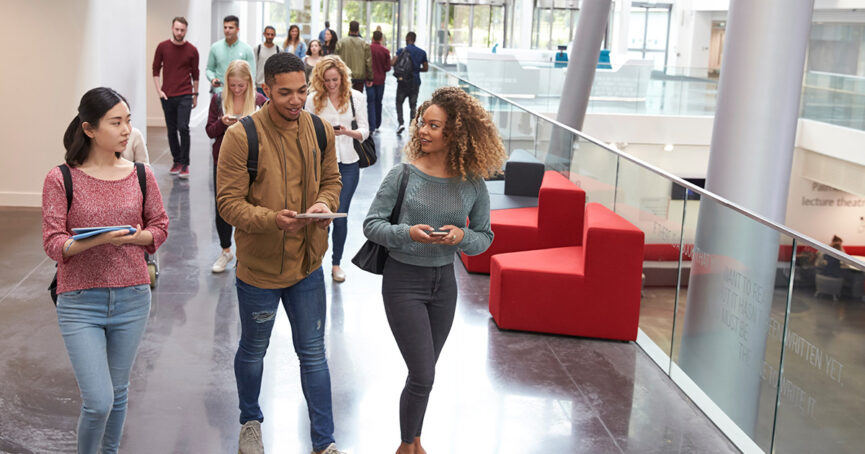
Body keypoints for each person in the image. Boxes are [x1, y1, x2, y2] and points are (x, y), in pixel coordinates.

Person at [362, 86, 507, 454]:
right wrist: (405, 233)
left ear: (455, 133)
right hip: (403, 282)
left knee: (422, 374)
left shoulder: (473, 183)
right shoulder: (403, 174)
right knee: (424, 373)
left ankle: (414, 441)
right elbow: (372, 225)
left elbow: (485, 237)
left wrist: (461, 237)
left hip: (444, 285)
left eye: (434, 125)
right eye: (422, 123)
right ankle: (405, 445)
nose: (423, 131)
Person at [216, 52, 345, 454]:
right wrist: (273, 219)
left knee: (313, 355)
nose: (295, 100)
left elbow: (332, 180)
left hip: (308, 265)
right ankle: (250, 421)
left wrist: (324, 204)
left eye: (302, 91)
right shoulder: (242, 137)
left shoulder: (321, 130)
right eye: (285, 92)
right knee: (254, 350)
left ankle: (324, 442)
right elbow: (228, 203)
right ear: (265, 91)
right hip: (259, 270)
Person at [42, 87, 169, 454]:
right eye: (116, 122)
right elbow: (54, 243)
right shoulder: (61, 178)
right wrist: (100, 240)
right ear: (89, 128)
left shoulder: (141, 174)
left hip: (132, 296)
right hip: (80, 300)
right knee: (98, 401)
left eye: (128, 120)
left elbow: (159, 227)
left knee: (118, 391)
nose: (127, 129)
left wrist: (133, 238)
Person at [305, 55, 369, 283]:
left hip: (349, 163)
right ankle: (315, 262)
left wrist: (347, 132)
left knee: (339, 216)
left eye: (335, 80)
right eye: (327, 80)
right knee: (321, 215)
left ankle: (336, 263)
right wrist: (324, 134)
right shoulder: (312, 100)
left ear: (343, 77)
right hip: (321, 163)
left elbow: (365, 131)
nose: (332, 84)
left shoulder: (356, 97)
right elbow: (306, 131)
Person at [206, 60, 267, 274]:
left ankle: (245, 252)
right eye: (232, 85)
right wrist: (223, 123)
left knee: (250, 205)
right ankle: (225, 250)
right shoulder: (218, 99)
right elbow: (210, 131)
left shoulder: (260, 100)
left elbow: (269, 131)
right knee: (223, 206)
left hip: (253, 160)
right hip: (223, 160)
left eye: (241, 86)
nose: (237, 90)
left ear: (249, 83)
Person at [152, 16, 199, 178]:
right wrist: (159, 91)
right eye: (177, 29)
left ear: (186, 30)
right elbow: (155, 70)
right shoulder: (162, 47)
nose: (179, 32)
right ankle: (176, 160)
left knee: (183, 128)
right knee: (171, 130)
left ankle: (185, 163)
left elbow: (196, 74)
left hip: (185, 93)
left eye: (182, 30)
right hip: (167, 95)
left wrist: (195, 94)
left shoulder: (192, 50)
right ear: (172, 28)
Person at [206, 15, 256, 95]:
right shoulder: (215, 47)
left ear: (237, 29)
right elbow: (209, 69)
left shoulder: (247, 49)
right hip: (220, 92)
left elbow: (251, 74)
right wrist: (212, 79)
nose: (227, 30)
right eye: (225, 27)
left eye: (230, 28)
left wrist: (251, 92)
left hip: (240, 93)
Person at [393, 32, 428, 134]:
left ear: (407, 38)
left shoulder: (401, 51)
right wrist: (416, 70)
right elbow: (426, 68)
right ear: (415, 39)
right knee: (413, 105)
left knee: (399, 102)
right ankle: (412, 125)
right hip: (415, 82)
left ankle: (401, 123)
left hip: (402, 81)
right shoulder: (422, 52)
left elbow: (393, 62)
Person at [335, 20, 372, 92]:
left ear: (349, 29)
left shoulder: (341, 42)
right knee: (358, 100)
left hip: (344, 75)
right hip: (359, 77)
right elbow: (368, 62)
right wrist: (370, 78)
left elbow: (336, 59)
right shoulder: (364, 44)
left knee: (344, 98)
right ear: (358, 30)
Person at [368, 30, 391, 133]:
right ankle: (377, 123)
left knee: (370, 102)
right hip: (381, 80)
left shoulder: (368, 49)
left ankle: (371, 126)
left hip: (369, 79)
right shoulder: (385, 51)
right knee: (378, 101)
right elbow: (388, 67)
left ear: (373, 38)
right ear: (381, 39)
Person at [254, 26, 281, 96]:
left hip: (273, 85)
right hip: (259, 85)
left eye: (272, 34)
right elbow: (254, 67)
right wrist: (253, 84)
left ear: (275, 35)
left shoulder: (279, 50)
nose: (270, 36)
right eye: (268, 34)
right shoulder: (257, 49)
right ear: (264, 34)